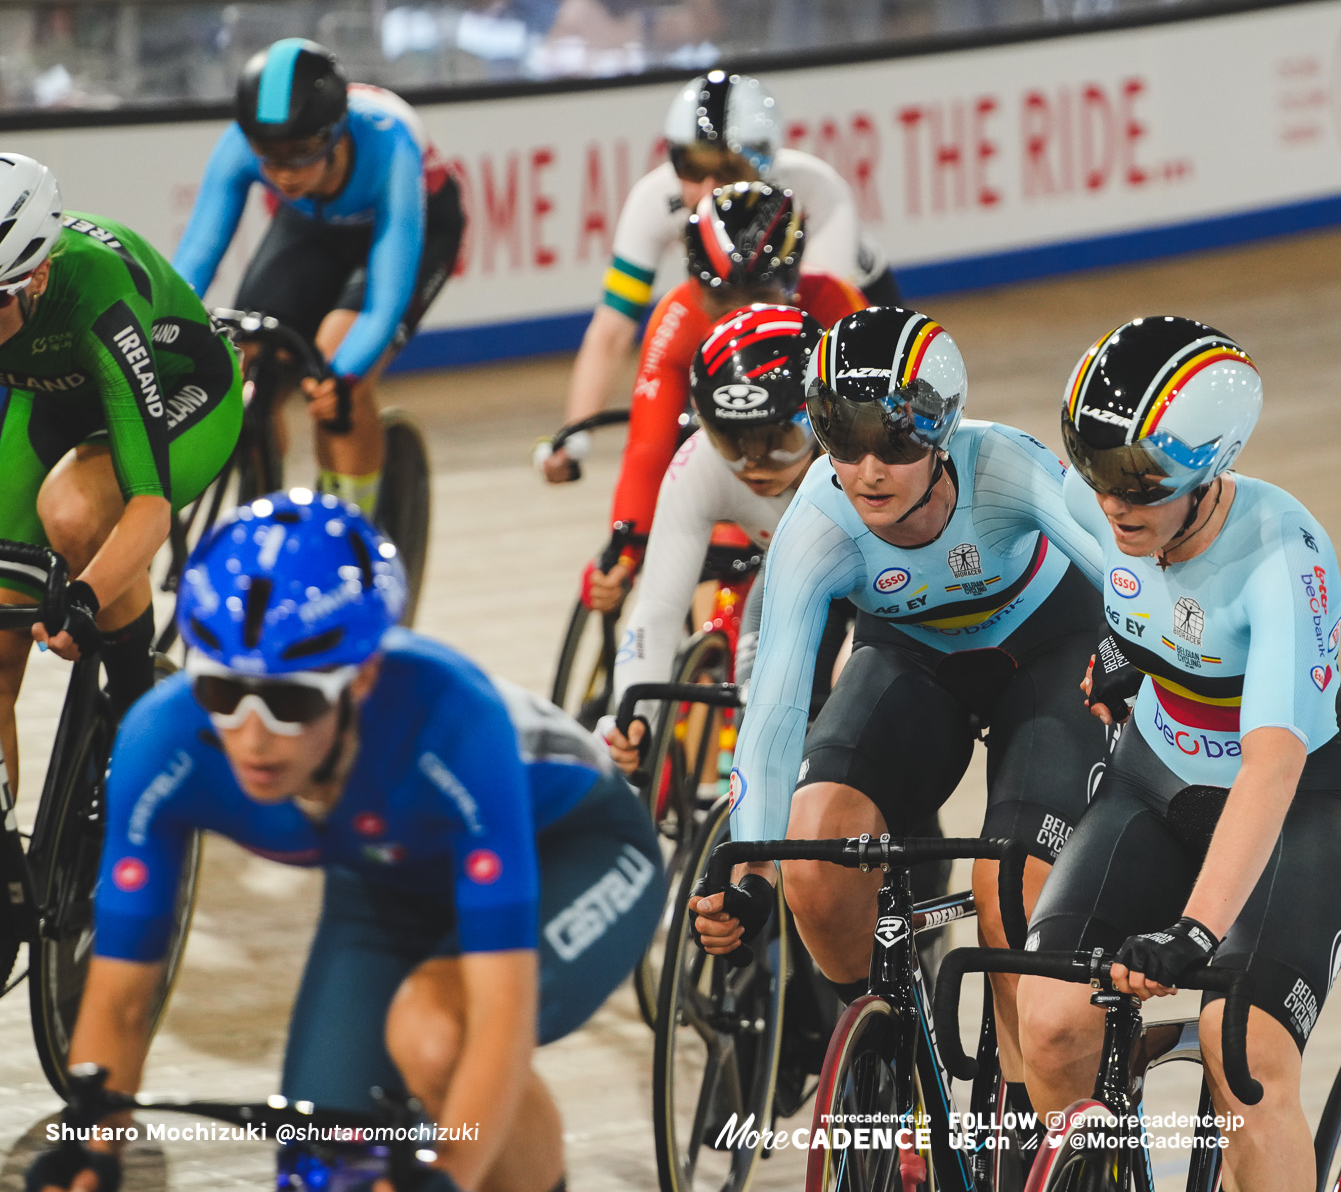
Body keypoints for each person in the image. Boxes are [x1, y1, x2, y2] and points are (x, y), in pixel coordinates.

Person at [28, 491, 660, 1192]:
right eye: (221, 693)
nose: (254, 734)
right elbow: (118, 1000)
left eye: (292, 700)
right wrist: (90, 1154)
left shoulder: (455, 723)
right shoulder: (162, 741)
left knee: (437, 1033)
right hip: (387, 876)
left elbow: (498, 1020)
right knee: (326, 1166)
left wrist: (447, 1176)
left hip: (573, 847)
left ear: (362, 677)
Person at [687, 306, 1109, 1117]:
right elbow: (774, 703)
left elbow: (1123, 577)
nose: (869, 468)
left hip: (1050, 656)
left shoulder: (1006, 467)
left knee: (1010, 886)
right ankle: (893, 1055)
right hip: (916, 662)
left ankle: (1023, 1122)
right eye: (843, 441)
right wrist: (749, 863)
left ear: (941, 431)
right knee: (813, 855)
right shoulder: (818, 519)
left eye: (895, 443)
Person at [1018, 316, 1341, 1189]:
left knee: (1243, 1056)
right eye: (1097, 469)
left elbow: (1273, 764)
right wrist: (1120, 650)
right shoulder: (1099, 504)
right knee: (1052, 1023)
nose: (1112, 503)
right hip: (1153, 779)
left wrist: (1196, 928)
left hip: (1293, 810)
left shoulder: (1285, 560)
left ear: (1211, 468)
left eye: (1140, 484)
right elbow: (1124, 589)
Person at [0, 154, 243, 791]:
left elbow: (149, 506)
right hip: (53, 390)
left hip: (182, 389)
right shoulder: (17, 297)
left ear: (40, 275)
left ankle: (140, 716)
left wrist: (83, 600)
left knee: (76, 511)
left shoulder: (97, 292)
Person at [539, 71, 894, 483]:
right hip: (746, 295)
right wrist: (575, 435)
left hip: (844, 295)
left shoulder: (816, 188)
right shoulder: (652, 200)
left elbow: (808, 329)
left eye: (728, 170)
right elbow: (612, 329)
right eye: (691, 166)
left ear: (766, 162)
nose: (708, 188)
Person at [173, 38, 467, 519]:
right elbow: (196, 258)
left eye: (302, 152)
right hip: (312, 223)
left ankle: (353, 536)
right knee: (246, 365)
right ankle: (262, 516)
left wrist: (343, 374)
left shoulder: (390, 144)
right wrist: (165, 327)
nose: (284, 173)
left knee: (333, 376)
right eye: (268, 155)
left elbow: (384, 300)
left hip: (412, 226)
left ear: (335, 134)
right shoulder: (242, 145)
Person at [562, 182, 866, 616]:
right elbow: (647, 448)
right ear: (695, 285)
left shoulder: (836, 304)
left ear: (794, 282)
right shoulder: (679, 314)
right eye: (721, 297)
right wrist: (626, 548)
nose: (738, 313)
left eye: (758, 295)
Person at [600, 302, 843, 772]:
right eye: (732, 442)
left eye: (778, 440)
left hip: (883, 580)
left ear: (822, 417)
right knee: (762, 715)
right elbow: (658, 612)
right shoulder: (699, 468)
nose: (753, 464)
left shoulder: (863, 459)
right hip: (791, 571)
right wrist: (636, 718)